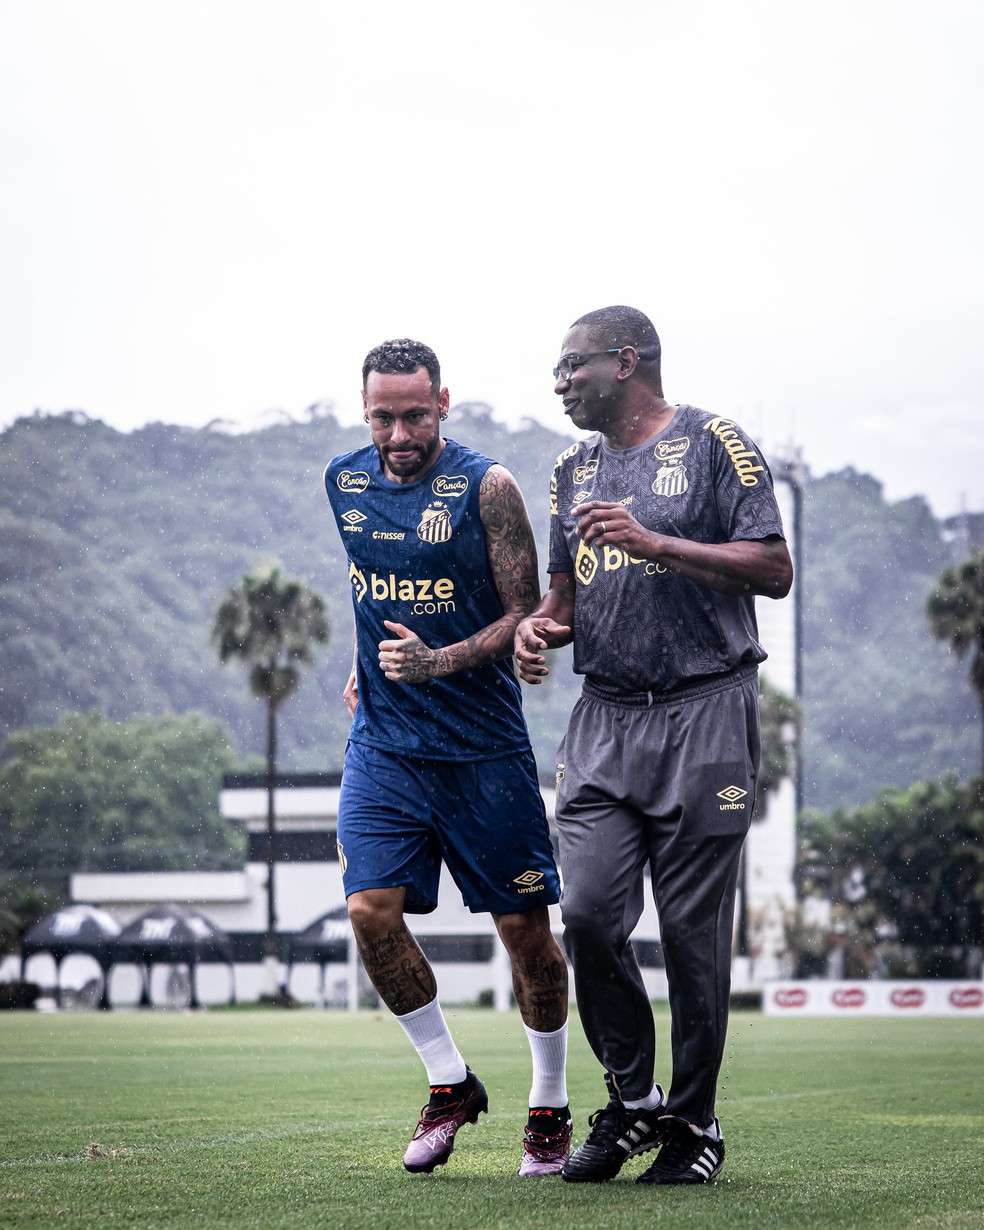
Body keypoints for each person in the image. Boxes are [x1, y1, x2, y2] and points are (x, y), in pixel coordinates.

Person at [514, 306, 793, 1186]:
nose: (559, 383)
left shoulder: (715, 442)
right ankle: (634, 1101)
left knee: (691, 938)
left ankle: (695, 1125)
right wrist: (539, 631)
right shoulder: (569, 469)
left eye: (571, 368)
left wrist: (657, 542)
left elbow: (774, 568)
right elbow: (564, 597)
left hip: (705, 710)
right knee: (589, 916)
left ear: (624, 362)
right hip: (602, 721)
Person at [323, 338, 570, 1177]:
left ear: (444, 405)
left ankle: (549, 1102)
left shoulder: (487, 487)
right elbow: (370, 584)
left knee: (524, 932)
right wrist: (365, 663)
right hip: (386, 747)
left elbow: (523, 613)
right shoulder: (343, 481)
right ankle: (449, 1082)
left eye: (415, 414)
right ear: (365, 411)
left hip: (484, 750)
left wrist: (439, 660)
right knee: (368, 912)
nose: (399, 432)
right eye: (384, 415)